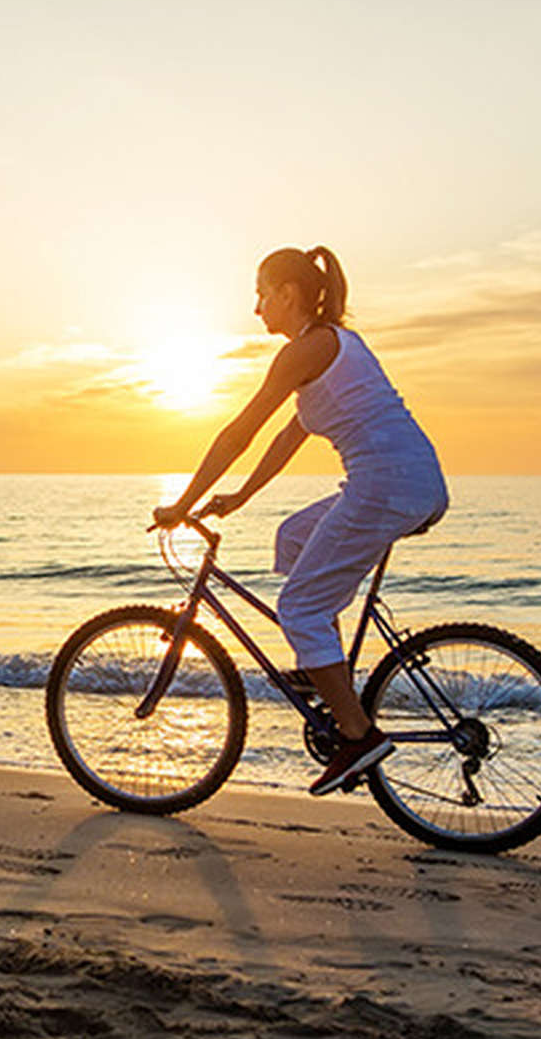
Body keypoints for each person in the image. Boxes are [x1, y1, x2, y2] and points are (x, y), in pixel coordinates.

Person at [153, 246, 448, 796]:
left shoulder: (308, 349)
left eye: (262, 293)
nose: (256, 306)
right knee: (292, 536)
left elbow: (240, 432)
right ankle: (324, 671)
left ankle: (357, 736)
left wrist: (182, 502)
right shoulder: (331, 345)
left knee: (299, 606)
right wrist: (238, 496)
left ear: (288, 294)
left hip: (385, 484)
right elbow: (290, 435)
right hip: (412, 479)